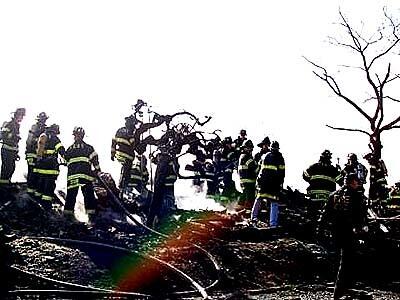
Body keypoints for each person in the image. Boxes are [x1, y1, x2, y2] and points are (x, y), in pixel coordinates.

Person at [318, 173, 368, 299]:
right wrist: (362, 227)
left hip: (334, 231)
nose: (358, 184)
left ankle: (341, 287)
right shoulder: (356, 195)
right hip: (348, 232)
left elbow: (325, 215)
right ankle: (338, 292)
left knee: (337, 258)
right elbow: (359, 214)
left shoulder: (333, 195)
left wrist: (321, 230)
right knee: (346, 261)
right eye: (357, 181)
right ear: (353, 182)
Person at [63, 127, 101, 222]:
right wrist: (98, 171)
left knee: (71, 196)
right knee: (88, 196)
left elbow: (65, 160)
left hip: (73, 177)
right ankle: (91, 217)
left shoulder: (69, 149)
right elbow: (95, 160)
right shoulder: (88, 148)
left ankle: (68, 216)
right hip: (85, 177)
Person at [251, 141, 285, 228]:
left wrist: (258, 181)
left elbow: (258, 170)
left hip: (263, 183)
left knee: (259, 198)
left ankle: (253, 217)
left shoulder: (264, 156)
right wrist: (280, 185)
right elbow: (282, 173)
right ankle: (273, 224)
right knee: (274, 202)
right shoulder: (280, 158)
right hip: (273, 185)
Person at [303, 150, 341, 220]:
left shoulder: (313, 167)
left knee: (312, 217)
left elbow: (305, 175)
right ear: (330, 158)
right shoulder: (333, 170)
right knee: (326, 218)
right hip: (327, 198)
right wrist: (340, 171)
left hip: (314, 196)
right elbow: (342, 182)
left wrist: (312, 181)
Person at [35, 124, 65, 209]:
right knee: (49, 185)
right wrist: (66, 158)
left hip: (41, 165)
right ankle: (46, 204)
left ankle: (37, 201)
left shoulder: (43, 136)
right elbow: (61, 150)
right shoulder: (54, 138)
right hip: (51, 166)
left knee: (41, 183)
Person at [0, 108, 25, 188]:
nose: (22, 118)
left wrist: (16, 153)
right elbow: (3, 135)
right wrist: (12, 136)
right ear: (17, 115)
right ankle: (3, 187)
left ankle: (7, 184)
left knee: (11, 168)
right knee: (6, 169)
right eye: (21, 116)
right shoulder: (9, 124)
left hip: (12, 151)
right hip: (7, 150)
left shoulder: (17, 125)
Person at [25, 112, 48, 196]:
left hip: (39, 155)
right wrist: (38, 141)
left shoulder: (45, 129)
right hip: (31, 153)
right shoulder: (34, 127)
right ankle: (29, 192)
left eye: (44, 119)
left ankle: (34, 190)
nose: (43, 121)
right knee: (32, 171)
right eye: (42, 119)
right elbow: (29, 141)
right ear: (38, 119)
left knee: (37, 172)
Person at [238, 140, 257, 209]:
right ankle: (245, 211)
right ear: (244, 148)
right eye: (248, 148)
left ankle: (240, 209)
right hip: (248, 181)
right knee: (249, 196)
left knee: (246, 194)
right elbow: (254, 167)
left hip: (246, 181)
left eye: (251, 147)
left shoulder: (243, 156)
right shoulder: (246, 156)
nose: (250, 149)